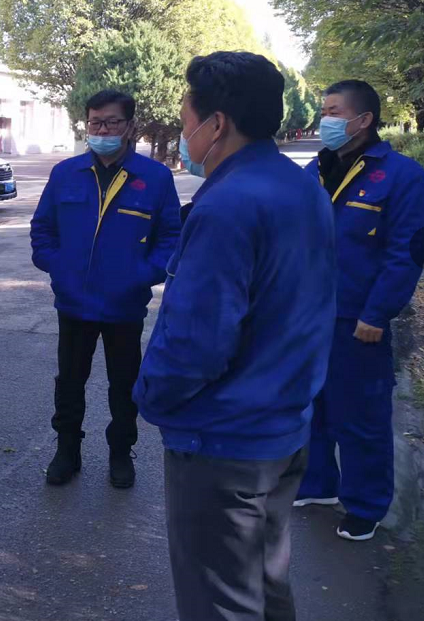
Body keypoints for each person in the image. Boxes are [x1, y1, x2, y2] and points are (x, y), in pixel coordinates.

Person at [133, 52, 336, 621]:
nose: (183, 135)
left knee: (221, 602)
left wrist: (150, 396)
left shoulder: (228, 204)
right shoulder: (301, 187)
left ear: (216, 123)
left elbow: (197, 342)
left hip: (224, 442)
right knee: (265, 584)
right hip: (283, 424)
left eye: (185, 120)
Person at [30, 90, 181, 489]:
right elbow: (42, 229)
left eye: (112, 122)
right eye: (95, 122)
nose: (102, 131)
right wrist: (59, 268)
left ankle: (121, 452)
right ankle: (67, 450)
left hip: (124, 304)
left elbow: (170, 238)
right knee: (69, 382)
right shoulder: (66, 173)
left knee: (124, 384)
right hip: (74, 302)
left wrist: (141, 275)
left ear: (130, 126)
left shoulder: (155, 178)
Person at [297, 80, 424, 541]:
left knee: (360, 414)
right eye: (323, 111)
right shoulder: (315, 170)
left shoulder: (402, 176)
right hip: (308, 314)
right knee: (310, 405)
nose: (325, 120)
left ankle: (365, 503)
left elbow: (405, 254)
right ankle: (317, 484)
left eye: (333, 112)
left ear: (363, 119)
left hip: (357, 317)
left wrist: (377, 313)